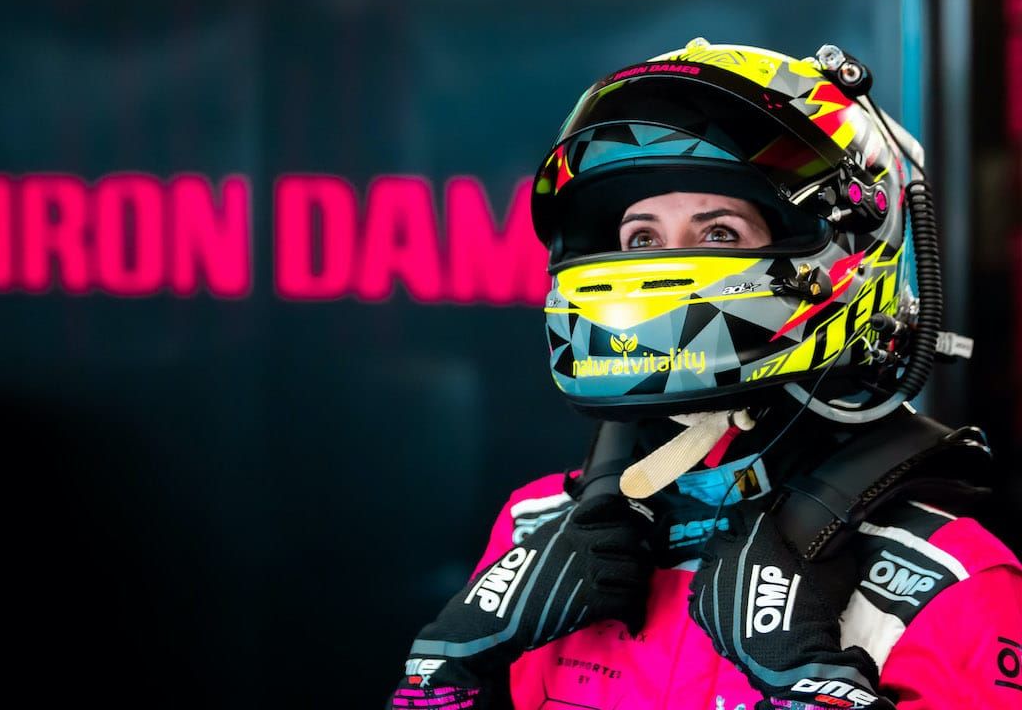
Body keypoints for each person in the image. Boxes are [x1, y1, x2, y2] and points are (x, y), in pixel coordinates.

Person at [387, 40, 1022, 710]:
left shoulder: (951, 582)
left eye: (718, 233)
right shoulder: (533, 527)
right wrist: (445, 677)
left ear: (849, 250)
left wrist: (809, 684)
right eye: (641, 238)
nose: (663, 266)